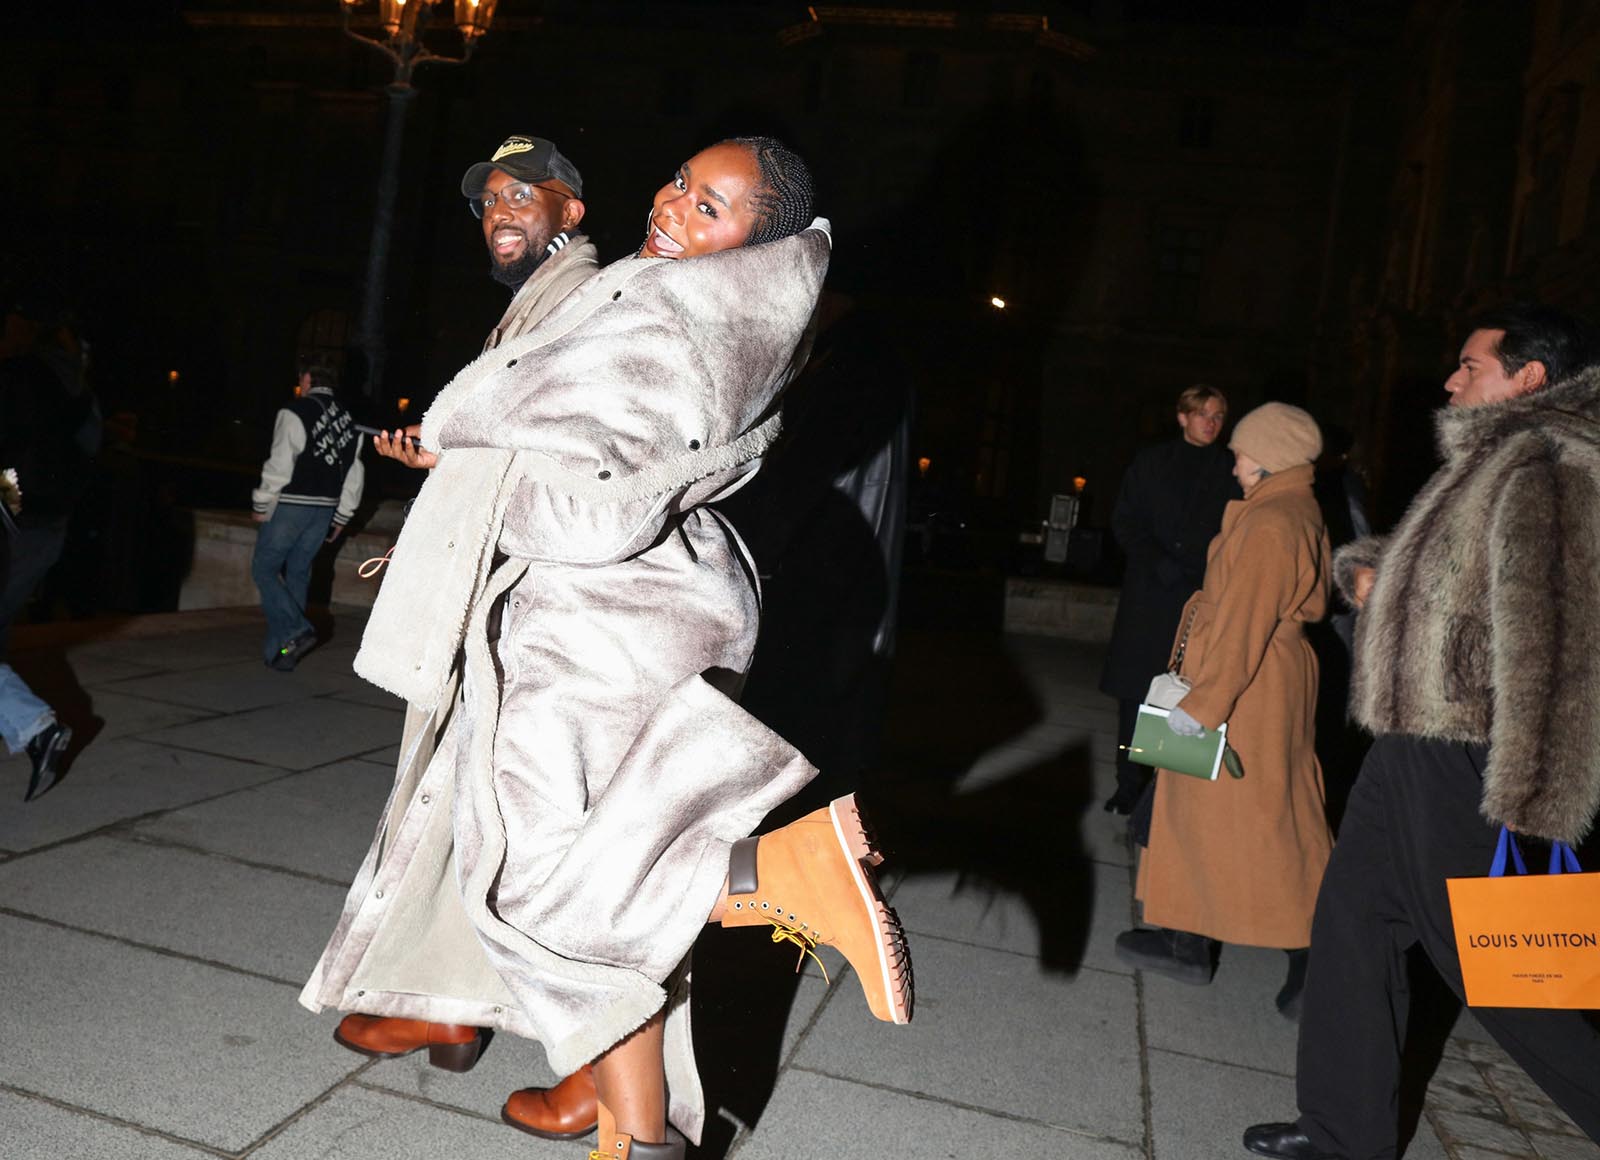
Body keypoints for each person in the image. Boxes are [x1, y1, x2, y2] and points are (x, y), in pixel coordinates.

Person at [300, 137, 912, 1160]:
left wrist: (488, 491)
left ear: (751, 243)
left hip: (592, 622)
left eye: (711, 206)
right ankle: (632, 1125)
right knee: (600, 876)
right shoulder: (717, 307)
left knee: (554, 889)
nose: (674, 205)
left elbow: (590, 515)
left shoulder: (669, 316)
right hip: (652, 612)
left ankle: (776, 874)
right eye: (679, 181)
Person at [1243, 304, 1600, 1160]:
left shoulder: (1551, 467)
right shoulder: (1492, 458)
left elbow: (1558, 639)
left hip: (1468, 753)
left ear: (1530, 377)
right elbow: (1462, 582)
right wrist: (1379, 577)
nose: (1450, 379)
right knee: (1353, 924)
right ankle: (1344, 1135)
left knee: (1507, 976)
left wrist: (1534, 792)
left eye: (1470, 366)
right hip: (1411, 742)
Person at [328, 133, 603, 1141]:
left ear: (571, 211)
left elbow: (576, 447)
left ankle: (591, 1061)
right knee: (462, 802)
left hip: (551, 605)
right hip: (505, 589)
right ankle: (449, 1006)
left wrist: (460, 466)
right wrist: (441, 470)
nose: (501, 207)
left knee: (522, 820)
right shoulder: (535, 302)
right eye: (490, 196)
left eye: (525, 193)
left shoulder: (585, 297)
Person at [1116, 403, 1332, 1019]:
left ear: (1267, 456)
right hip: (1251, 679)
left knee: (1274, 820)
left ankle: (1318, 961)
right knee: (1197, 809)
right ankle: (1185, 937)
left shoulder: (1274, 522)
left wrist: (1205, 703)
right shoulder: (1279, 509)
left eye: (1240, 451)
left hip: (1249, 686)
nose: (1232, 461)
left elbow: (1245, 620)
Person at [1099, 384, 1238, 815]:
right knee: (1135, 691)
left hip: (1201, 596)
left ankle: (1166, 790)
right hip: (1149, 594)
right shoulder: (1151, 462)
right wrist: (1156, 562)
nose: (1211, 423)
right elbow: (1125, 520)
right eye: (1203, 415)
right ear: (1183, 416)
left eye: (1218, 416)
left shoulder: (1231, 468)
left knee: (1187, 689)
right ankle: (1129, 782)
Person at [0, 293, 94, 800]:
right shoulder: (74, 386)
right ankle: (30, 725)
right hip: (48, 520)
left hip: (15, 516)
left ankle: (33, 725)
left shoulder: (17, 375)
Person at [249, 362, 364, 670]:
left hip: (291, 504)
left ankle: (296, 630)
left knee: (264, 569)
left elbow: (280, 463)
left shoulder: (295, 411)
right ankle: (283, 654)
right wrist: (343, 515)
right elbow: (354, 473)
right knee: (299, 572)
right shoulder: (348, 419)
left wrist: (262, 503)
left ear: (308, 379)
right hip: (324, 508)